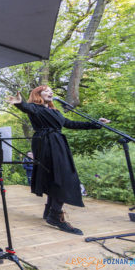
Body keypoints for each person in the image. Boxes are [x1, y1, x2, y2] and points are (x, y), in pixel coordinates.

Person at [6, 86, 110, 235]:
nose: (50, 92)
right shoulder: (36, 108)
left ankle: (50, 210)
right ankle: (55, 215)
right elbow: (27, 108)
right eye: (46, 90)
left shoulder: (55, 111)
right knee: (64, 177)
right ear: (37, 94)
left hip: (58, 143)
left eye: (51, 90)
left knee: (55, 177)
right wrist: (19, 103)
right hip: (47, 144)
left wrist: (96, 123)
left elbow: (70, 124)